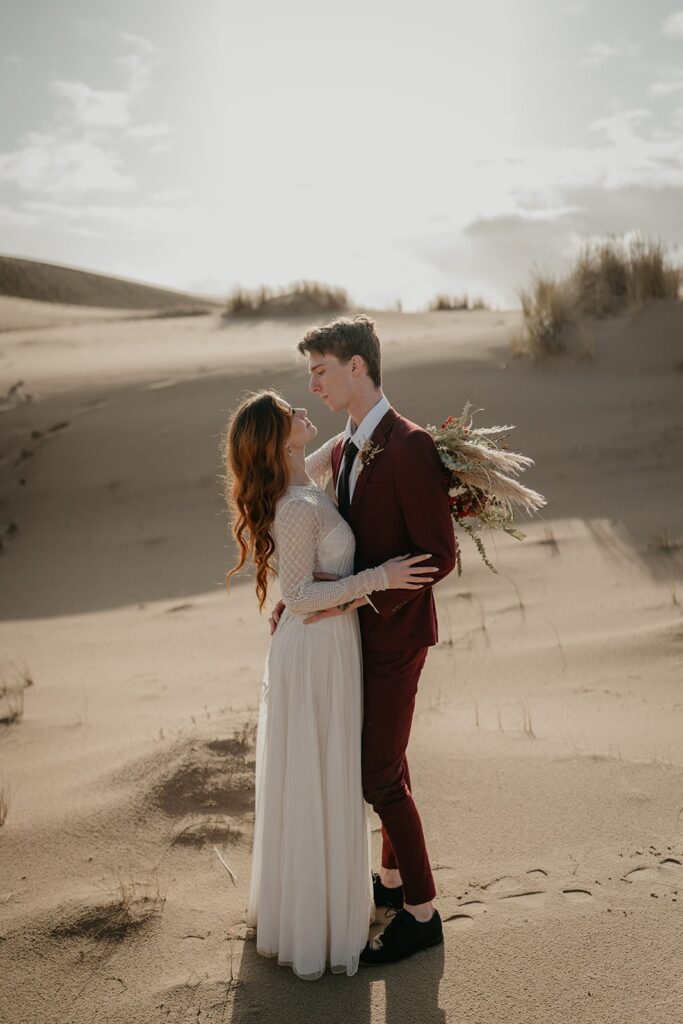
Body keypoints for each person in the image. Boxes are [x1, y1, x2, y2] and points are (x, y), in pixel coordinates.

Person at [224, 389, 437, 980]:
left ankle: (373, 886)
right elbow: (298, 596)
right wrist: (382, 577)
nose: (300, 408)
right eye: (289, 410)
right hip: (315, 651)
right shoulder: (293, 505)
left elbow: (348, 445)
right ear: (276, 437)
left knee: (331, 770)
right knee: (322, 772)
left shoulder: (302, 471)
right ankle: (320, 913)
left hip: (331, 643)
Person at [270, 314, 457, 965]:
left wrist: (368, 593)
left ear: (357, 367)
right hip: (350, 639)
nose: (313, 384)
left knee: (376, 773)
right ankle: (390, 882)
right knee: (388, 762)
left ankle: (421, 914)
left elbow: (438, 555)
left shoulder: (407, 447)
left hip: (395, 636)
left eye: (320, 370)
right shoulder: (348, 445)